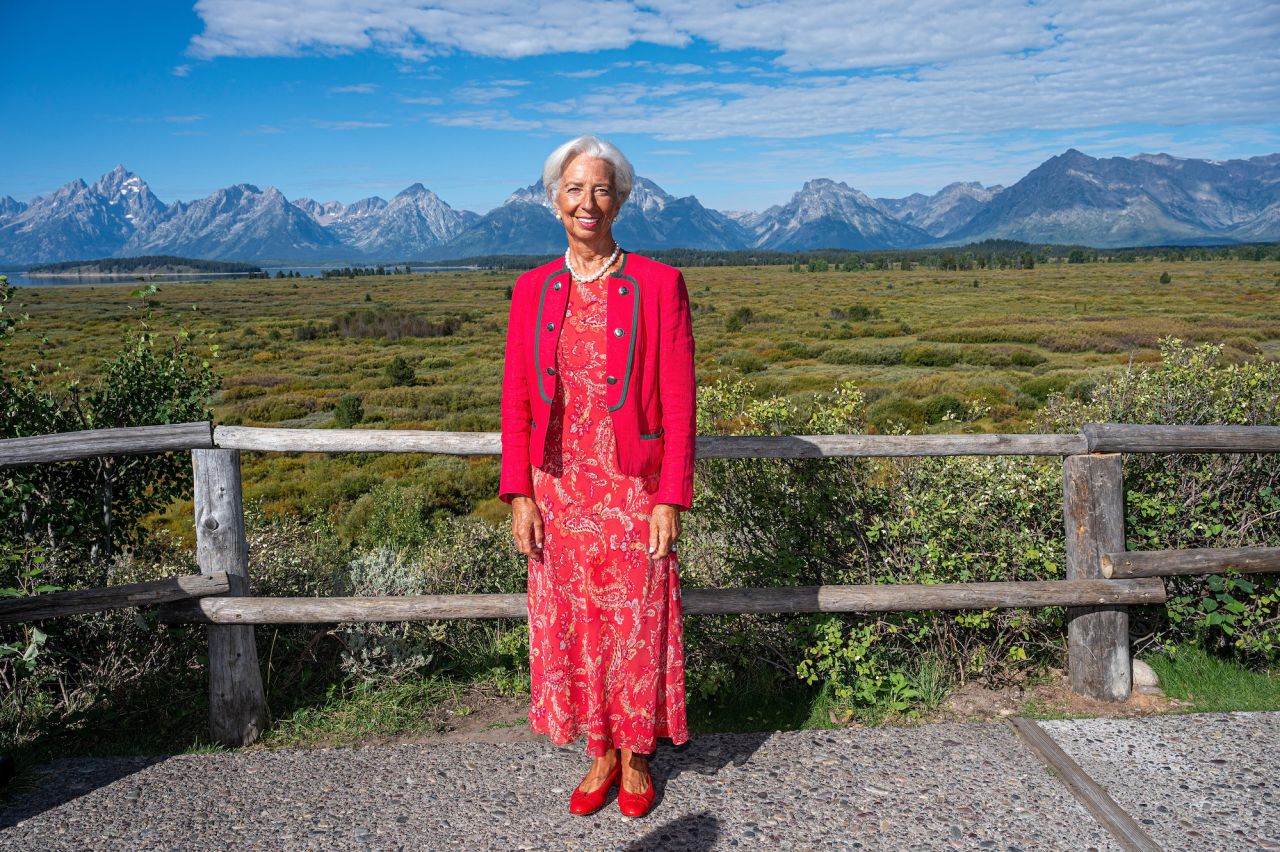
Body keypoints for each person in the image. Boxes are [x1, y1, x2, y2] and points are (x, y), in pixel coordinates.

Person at [497, 135, 696, 819]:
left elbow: (679, 401)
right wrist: (519, 492)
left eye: (601, 189)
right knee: (577, 623)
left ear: (621, 200)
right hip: (557, 487)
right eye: (575, 189)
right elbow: (517, 398)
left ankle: (637, 754)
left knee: (635, 621)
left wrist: (671, 496)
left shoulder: (659, 284)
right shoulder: (532, 290)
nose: (588, 201)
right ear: (554, 200)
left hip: (631, 487)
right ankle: (599, 750)